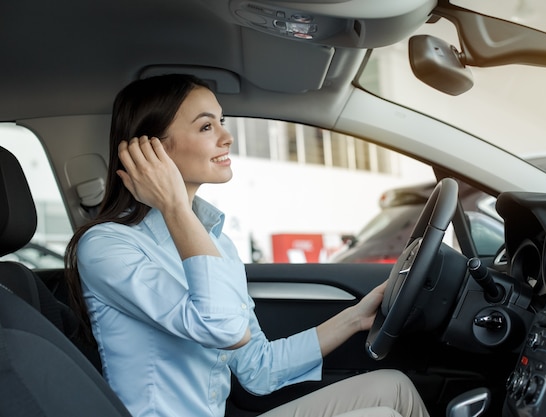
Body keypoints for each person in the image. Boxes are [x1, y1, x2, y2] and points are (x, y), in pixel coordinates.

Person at [65, 74, 430, 417]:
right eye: (207, 126)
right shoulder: (106, 247)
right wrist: (174, 204)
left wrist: (356, 318)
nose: (227, 137)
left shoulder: (215, 242)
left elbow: (258, 369)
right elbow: (222, 328)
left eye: (221, 122)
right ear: (151, 152)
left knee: (393, 387)